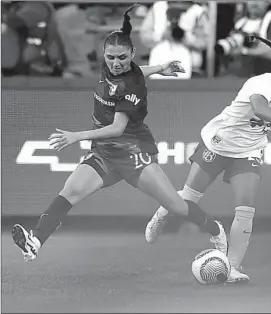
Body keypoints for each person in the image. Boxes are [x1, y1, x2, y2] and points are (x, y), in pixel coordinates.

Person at [12, 4, 228, 262]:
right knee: (68, 193)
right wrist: (159, 68)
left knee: (176, 206)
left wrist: (75, 136)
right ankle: (35, 242)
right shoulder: (118, 68)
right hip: (104, 155)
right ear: (104, 53)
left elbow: (117, 128)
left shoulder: (132, 86)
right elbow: (137, 71)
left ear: (132, 54)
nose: (116, 63)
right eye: (111, 57)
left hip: (134, 156)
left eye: (122, 58)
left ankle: (214, 229)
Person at [145, 35, 271, 283]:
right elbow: (260, 109)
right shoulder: (258, 84)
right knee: (189, 199)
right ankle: (162, 212)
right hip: (219, 143)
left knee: (246, 209)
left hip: (248, 151)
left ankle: (233, 267)